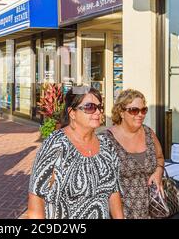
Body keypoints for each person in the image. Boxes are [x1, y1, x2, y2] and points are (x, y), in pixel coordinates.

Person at [28, 86, 124, 219]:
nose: (97, 112)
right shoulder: (56, 144)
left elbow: (114, 192)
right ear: (72, 113)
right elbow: (36, 197)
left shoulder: (107, 145)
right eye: (90, 107)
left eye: (99, 107)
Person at [107, 89, 165, 219]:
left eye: (143, 110)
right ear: (121, 112)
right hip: (121, 213)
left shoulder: (149, 133)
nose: (140, 114)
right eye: (134, 110)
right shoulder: (106, 139)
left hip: (152, 211)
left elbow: (160, 157)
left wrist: (158, 171)